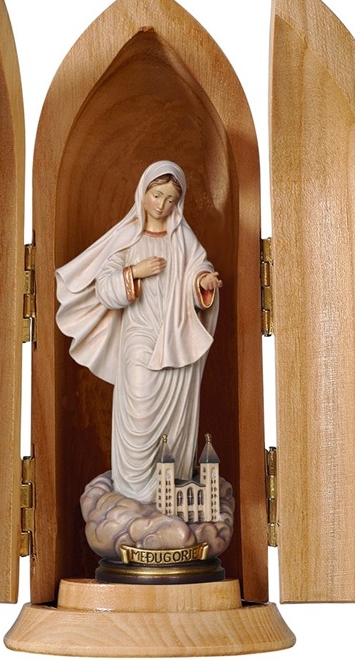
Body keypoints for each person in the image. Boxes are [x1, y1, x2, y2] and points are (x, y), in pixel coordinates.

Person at [56, 161, 222, 503]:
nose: (161, 205)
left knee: (173, 419)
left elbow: (198, 272)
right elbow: (106, 289)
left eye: (170, 199)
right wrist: (134, 272)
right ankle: (133, 492)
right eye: (156, 195)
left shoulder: (183, 239)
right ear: (143, 193)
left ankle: (166, 495)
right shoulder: (127, 238)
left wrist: (203, 283)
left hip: (175, 338)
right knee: (139, 410)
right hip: (139, 336)